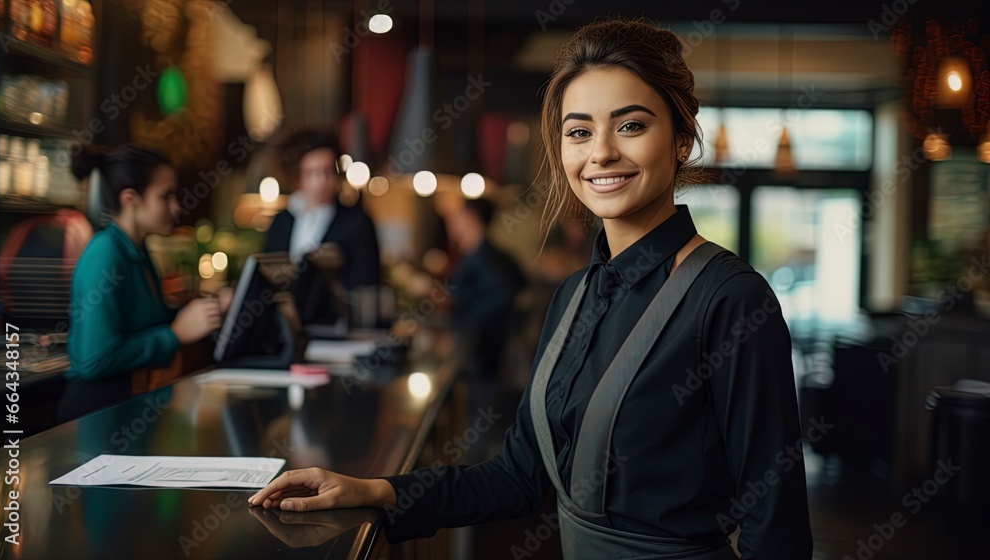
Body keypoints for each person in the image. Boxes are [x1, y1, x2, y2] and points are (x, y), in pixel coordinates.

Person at [250, 19, 813, 559]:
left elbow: (777, 527)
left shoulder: (732, 298)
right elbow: (520, 477)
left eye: (632, 125)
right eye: (579, 132)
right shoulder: (572, 297)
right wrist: (373, 491)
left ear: (683, 139)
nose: (601, 153)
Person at [58, 144, 222, 423]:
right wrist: (176, 334)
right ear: (130, 199)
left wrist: (210, 308)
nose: (177, 206)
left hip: (125, 407)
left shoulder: (138, 251)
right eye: (165, 195)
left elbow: (142, 324)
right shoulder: (106, 253)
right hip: (95, 414)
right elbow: (94, 361)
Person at [263, 127, 380, 327]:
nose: (322, 182)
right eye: (311, 173)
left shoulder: (356, 223)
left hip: (337, 331)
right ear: (296, 175)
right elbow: (266, 279)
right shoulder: (282, 221)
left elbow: (366, 287)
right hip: (285, 330)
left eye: (327, 171)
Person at [443, 197, 527, 380]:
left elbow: (506, 292)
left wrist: (466, 313)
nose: (451, 221)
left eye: (458, 215)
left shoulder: (487, 257)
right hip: (475, 347)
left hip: (483, 351)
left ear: (472, 218)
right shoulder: (475, 254)